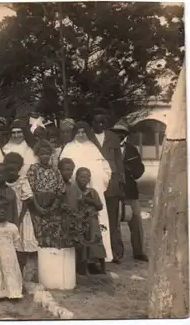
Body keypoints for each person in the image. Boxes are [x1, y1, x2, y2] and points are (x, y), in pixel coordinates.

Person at [60, 122, 114, 262]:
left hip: (95, 190)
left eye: (84, 132)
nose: (81, 135)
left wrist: (99, 179)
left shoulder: (93, 147)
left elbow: (106, 168)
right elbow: (64, 169)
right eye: (78, 132)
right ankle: (81, 258)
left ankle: (100, 255)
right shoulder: (69, 148)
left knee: (98, 221)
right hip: (76, 191)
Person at [89, 108, 125, 263]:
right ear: (92, 122)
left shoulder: (113, 138)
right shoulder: (87, 137)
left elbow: (118, 161)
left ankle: (116, 252)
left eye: (103, 121)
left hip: (112, 185)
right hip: (94, 182)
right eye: (97, 121)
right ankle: (97, 253)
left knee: (113, 219)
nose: (101, 124)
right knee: (94, 218)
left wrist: (120, 181)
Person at [111, 120, 148, 262]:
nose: (119, 136)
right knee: (115, 224)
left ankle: (138, 252)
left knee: (136, 221)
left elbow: (139, 170)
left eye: (122, 133)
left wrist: (130, 170)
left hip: (130, 191)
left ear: (126, 134)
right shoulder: (107, 149)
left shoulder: (132, 150)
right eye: (116, 133)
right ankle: (117, 253)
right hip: (114, 191)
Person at [27, 140, 71, 249]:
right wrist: (38, 207)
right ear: (38, 155)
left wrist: (53, 206)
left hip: (53, 208)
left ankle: (52, 261)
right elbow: (31, 190)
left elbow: (60, 191)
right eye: (42, 153)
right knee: (39, 234)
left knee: (53, 233)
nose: (45, 156)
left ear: (51, 154)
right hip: (37, 206)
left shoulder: (56, 171)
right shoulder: (34, 169)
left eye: (47, 153)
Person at [4, 152, 37, 282]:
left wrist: (19, 218)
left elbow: (27, 201)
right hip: (7, 215)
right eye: (9, 166)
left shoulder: (23, 180)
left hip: (22, 216)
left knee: (23, 243)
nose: (12, 169)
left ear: (19, 167)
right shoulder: (3, 180)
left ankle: (26, 274)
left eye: (15, 166)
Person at [74, 167, 107, 275]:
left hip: (92, 221)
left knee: (96, 242)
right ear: (76, 178)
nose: (84, 179)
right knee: (82, 244)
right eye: (82, 176)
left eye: (87, 177)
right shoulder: (73, 191)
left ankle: (101, 268)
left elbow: (99, 206)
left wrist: (87, 200)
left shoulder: (92, 192)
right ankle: (83, 268)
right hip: (79, 221)